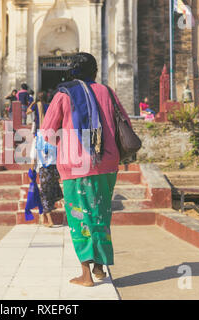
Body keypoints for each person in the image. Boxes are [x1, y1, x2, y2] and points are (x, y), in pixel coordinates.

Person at [41, 52, 132, 287]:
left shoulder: (64, 94)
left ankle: (86, 274)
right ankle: (101, 267)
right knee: (101, 215)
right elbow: (126, 124)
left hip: (76, 166)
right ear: (94, 72)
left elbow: (48, 132)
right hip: (108, 164)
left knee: (80, 217)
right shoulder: (107, 92)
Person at [31, 91, 63, 227]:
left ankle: (46, 215)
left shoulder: (47, 137)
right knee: (47, 192)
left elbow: (34, 157)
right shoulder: (45, 137)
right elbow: (34, 155)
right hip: (49, 168)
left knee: (50, 193)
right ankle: (47, 217)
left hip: (50, 168)